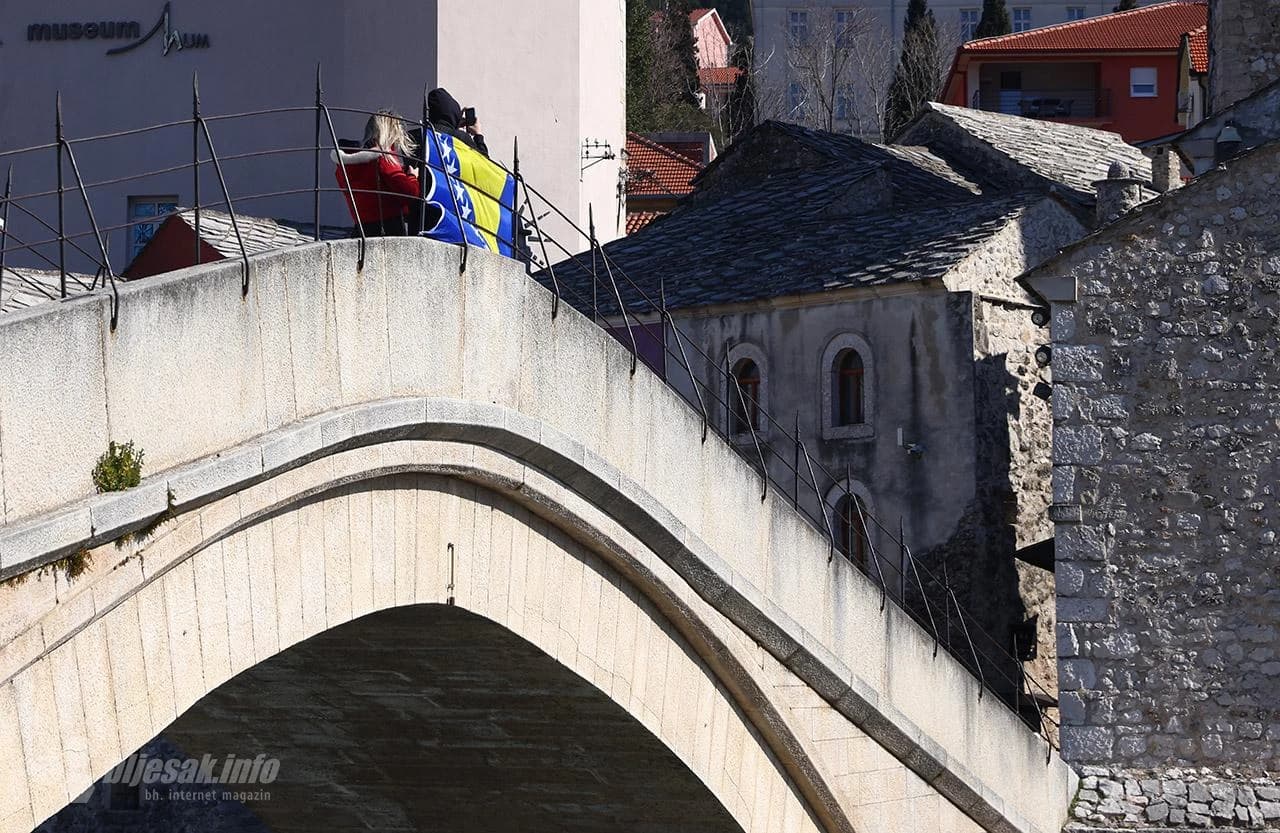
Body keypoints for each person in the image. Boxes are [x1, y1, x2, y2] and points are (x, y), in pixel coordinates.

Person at [332, 110, 422, 236]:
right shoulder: (383, 159)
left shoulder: (345, 164)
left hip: (361, 228)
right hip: (389, 228)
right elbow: (410, 193)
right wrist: (412, 176)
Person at [427, 88, 489, 157]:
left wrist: (455, 126)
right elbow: (483, 162)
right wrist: (478, 135)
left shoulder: (423, 134)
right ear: (454, 112)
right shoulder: (462, 138)